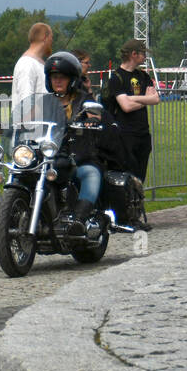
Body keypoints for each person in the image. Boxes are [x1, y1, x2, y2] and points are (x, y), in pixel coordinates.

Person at [43, 51, 126, 237]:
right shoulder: (44, 102)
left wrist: (92, 121)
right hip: (49, 157)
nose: (57, 81)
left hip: (78, 154)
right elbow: (27, 119)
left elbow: (96, 115)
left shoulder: (83, 99)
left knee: (90, 173)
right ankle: (10, 222)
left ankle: (79, 220)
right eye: (54, 77)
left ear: (71, 79)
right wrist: (11, 127)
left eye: (62, 77)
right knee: (23, 171)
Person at [104, 39, 159, 187]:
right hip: (125, 136)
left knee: (140, 179)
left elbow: (155, 99)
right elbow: (126, 106)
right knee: (128, 178)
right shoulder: (116, 78)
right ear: (133, 54)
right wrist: (145, 99)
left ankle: (138, 207)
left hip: (143, 134)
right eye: (142, 54)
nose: (145, 57)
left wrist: (132, 98)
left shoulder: (144, 76)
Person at [12, 22, 53, 108]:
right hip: (31, 121)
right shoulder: (27, 63)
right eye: (51, 38)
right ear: (45, 38)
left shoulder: (38, 63)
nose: (51, 42)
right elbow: (26, 101)